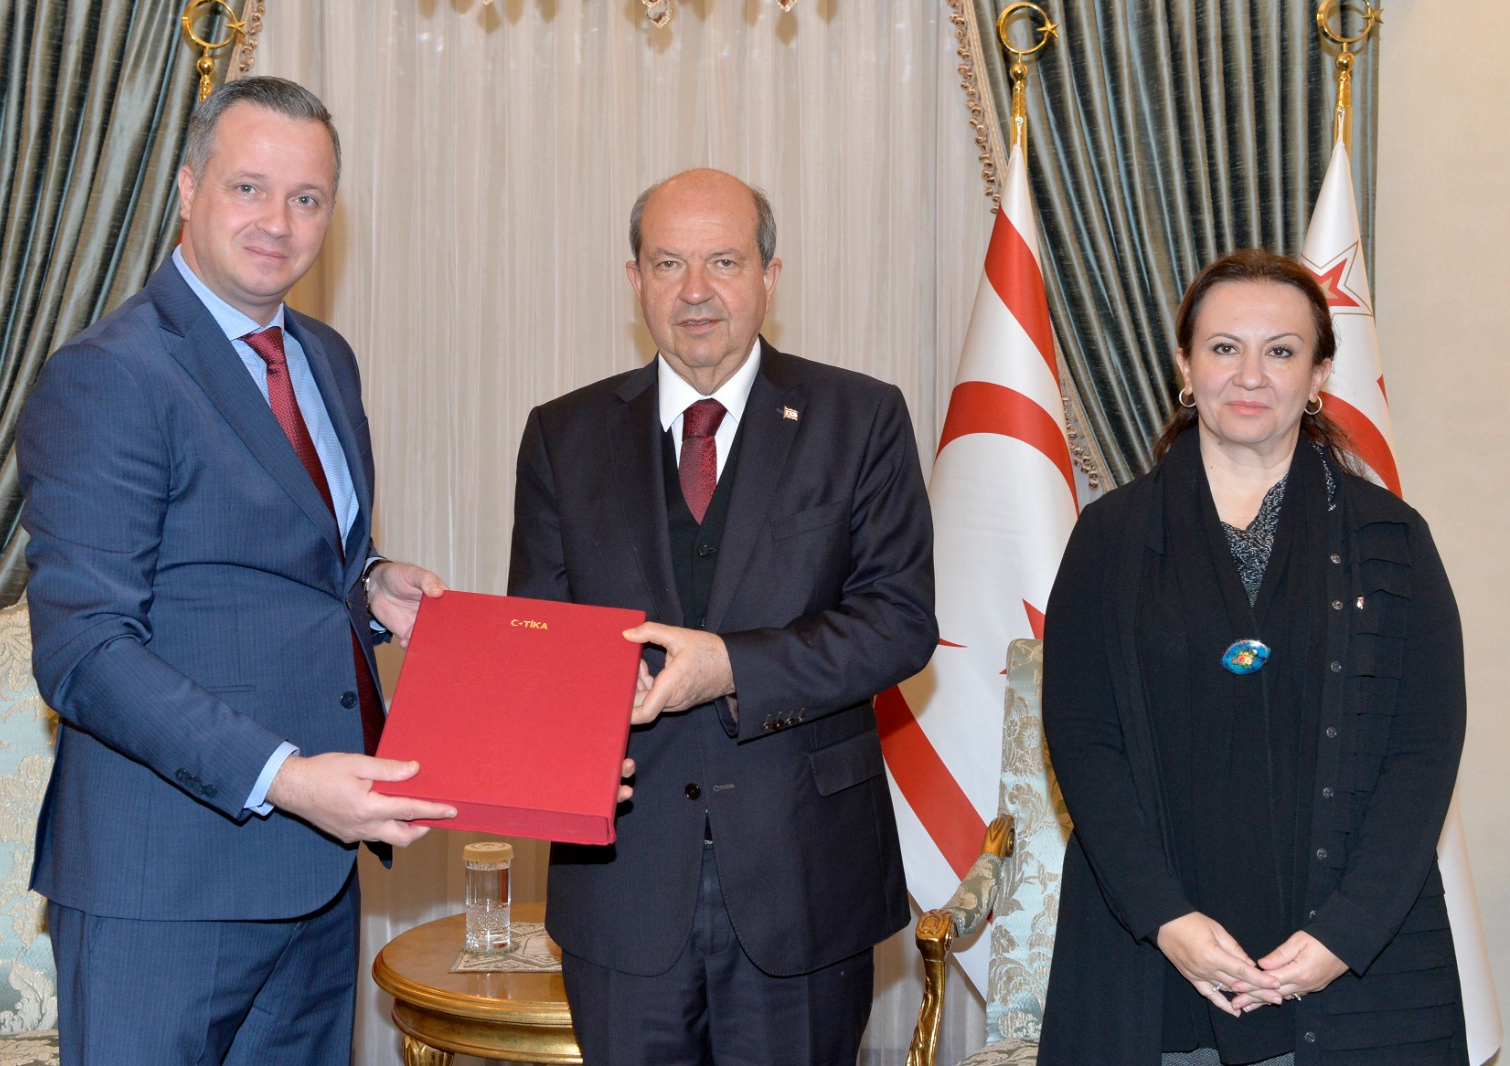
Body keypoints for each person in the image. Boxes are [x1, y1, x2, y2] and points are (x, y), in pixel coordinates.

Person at [15, 77, 459, 1065]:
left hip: (315, 880)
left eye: (307, 198)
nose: (278, 223)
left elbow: (278, 560)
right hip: (161, 888)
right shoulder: (110, 373)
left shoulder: (325, 359)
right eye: (248, 188)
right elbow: (83, 650)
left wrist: (372, 586)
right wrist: (285, 778)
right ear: (187, 188)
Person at [507, 168, 937, 1064]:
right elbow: (540, 645)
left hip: (805, 881)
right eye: (668, 263)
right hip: (621, 884)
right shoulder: (561, 434)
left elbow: (899, 621)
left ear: (770, 276)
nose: (695, 290)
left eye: (724, 262)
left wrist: (733, 667)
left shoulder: (861, 418)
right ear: (635, 281)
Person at [1038, 249, 1467, 1065]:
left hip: (1354, 968)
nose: (1250, 375)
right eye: (1224, 347)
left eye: (1281, 351)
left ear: (1319, 375)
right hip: (1151, 957)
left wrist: (1346, 935)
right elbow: (1085, 741)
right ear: (1184, 366)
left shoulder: (1393, 540)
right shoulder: (1109, 537)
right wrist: (1166, 919)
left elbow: (1423, 750)